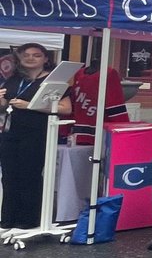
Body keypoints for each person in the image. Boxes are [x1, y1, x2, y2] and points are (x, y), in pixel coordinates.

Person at [0, 43, 72, 232]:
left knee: (29, 175)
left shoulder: (53, 81)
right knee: (8, 176)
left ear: (46, 59)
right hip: (10, 132)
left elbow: (66, 108)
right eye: (26, 55)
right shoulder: (14, 79)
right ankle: (8, 218)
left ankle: (28, 219)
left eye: (36, 55)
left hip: (36, 133)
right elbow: (4, 106)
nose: (31, 58)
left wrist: (31, 106)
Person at [69, 60, 130, 146]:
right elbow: (73, 100)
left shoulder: (109, 73)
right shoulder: (79, 73)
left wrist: (122, 127)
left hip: (98, 125)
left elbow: (115, 102)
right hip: (80, 126)